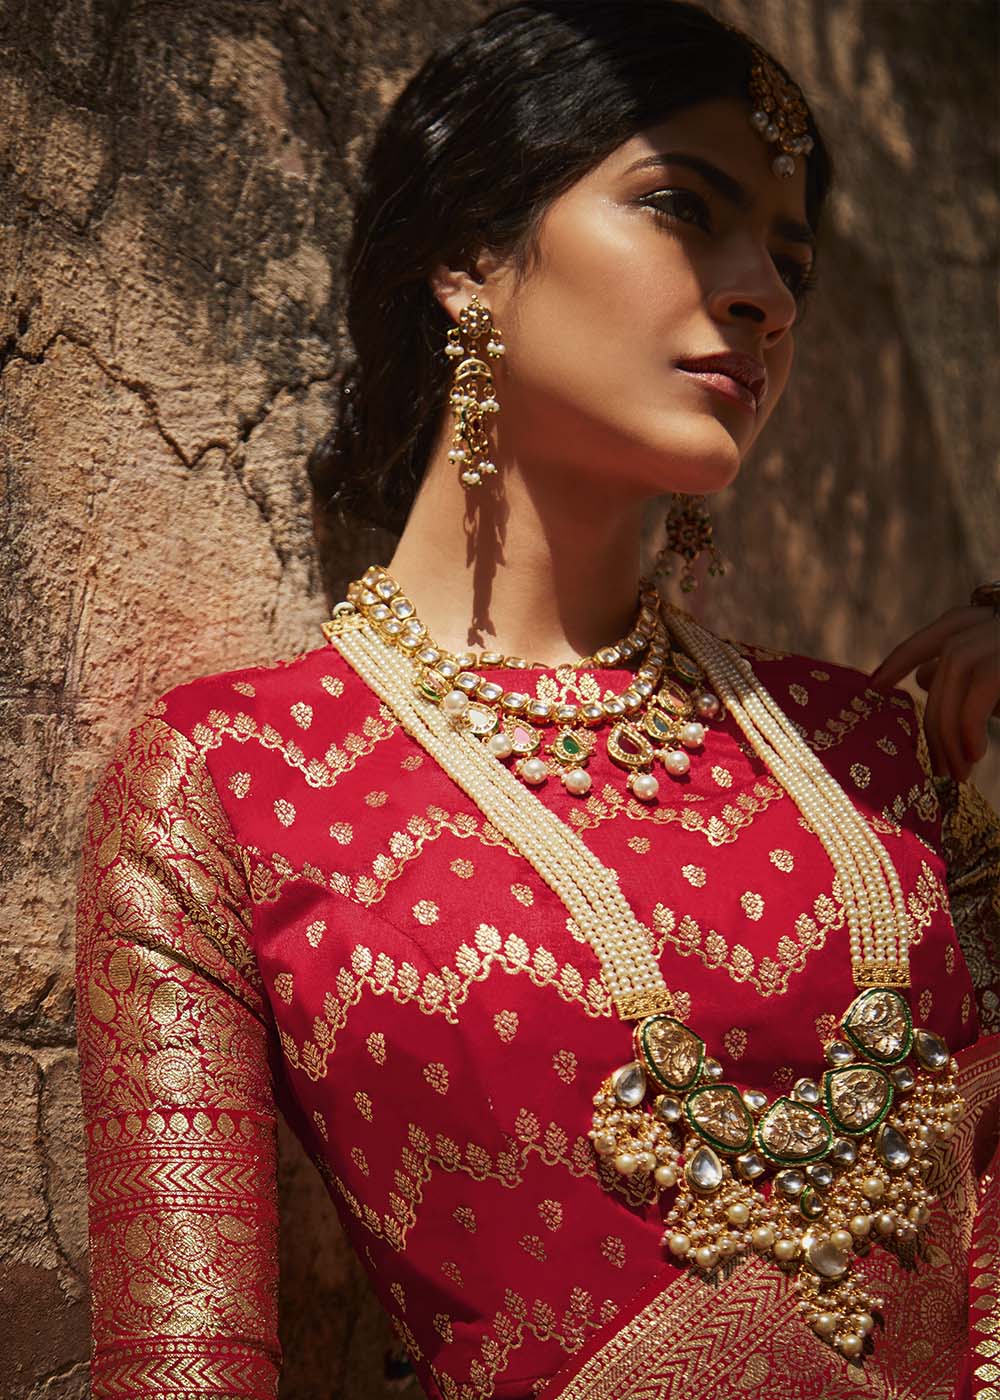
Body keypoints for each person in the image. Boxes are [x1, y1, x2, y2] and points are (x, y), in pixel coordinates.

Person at [74, 3, 1000, 1397]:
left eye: (790, 257)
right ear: (469, 254)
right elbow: (181, 1369)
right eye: (683, 208)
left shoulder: (871, 750)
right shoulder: (237, 783)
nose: (765, 292)